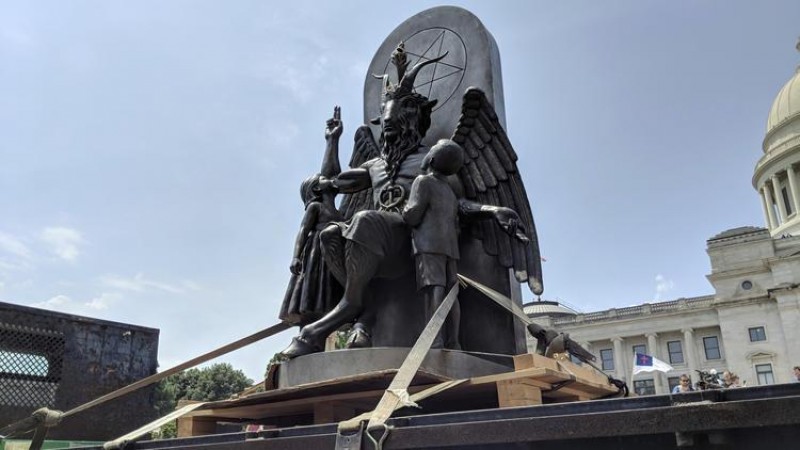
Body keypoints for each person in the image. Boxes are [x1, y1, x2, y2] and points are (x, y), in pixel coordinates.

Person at [278, 109, 344, 325]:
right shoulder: (316, 207)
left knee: (329, 299)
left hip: (333, 257)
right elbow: (303, 231)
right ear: (315, 189)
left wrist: (333, 140)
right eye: (322, 180)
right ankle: (306, 328)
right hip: (316, 255)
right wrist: (296, 256)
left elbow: (333, 174)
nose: (329, 180)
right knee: (312, 298)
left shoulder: (340, 212)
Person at [402, 139, 465, 349]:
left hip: (428, 244)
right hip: (450, 248)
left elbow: (413, 215)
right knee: (451, 293)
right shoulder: (450, 192)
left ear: (432, 158)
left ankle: (434, 340)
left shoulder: (423, 181)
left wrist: (403, 209)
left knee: (434, 289)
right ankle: (454, 341)